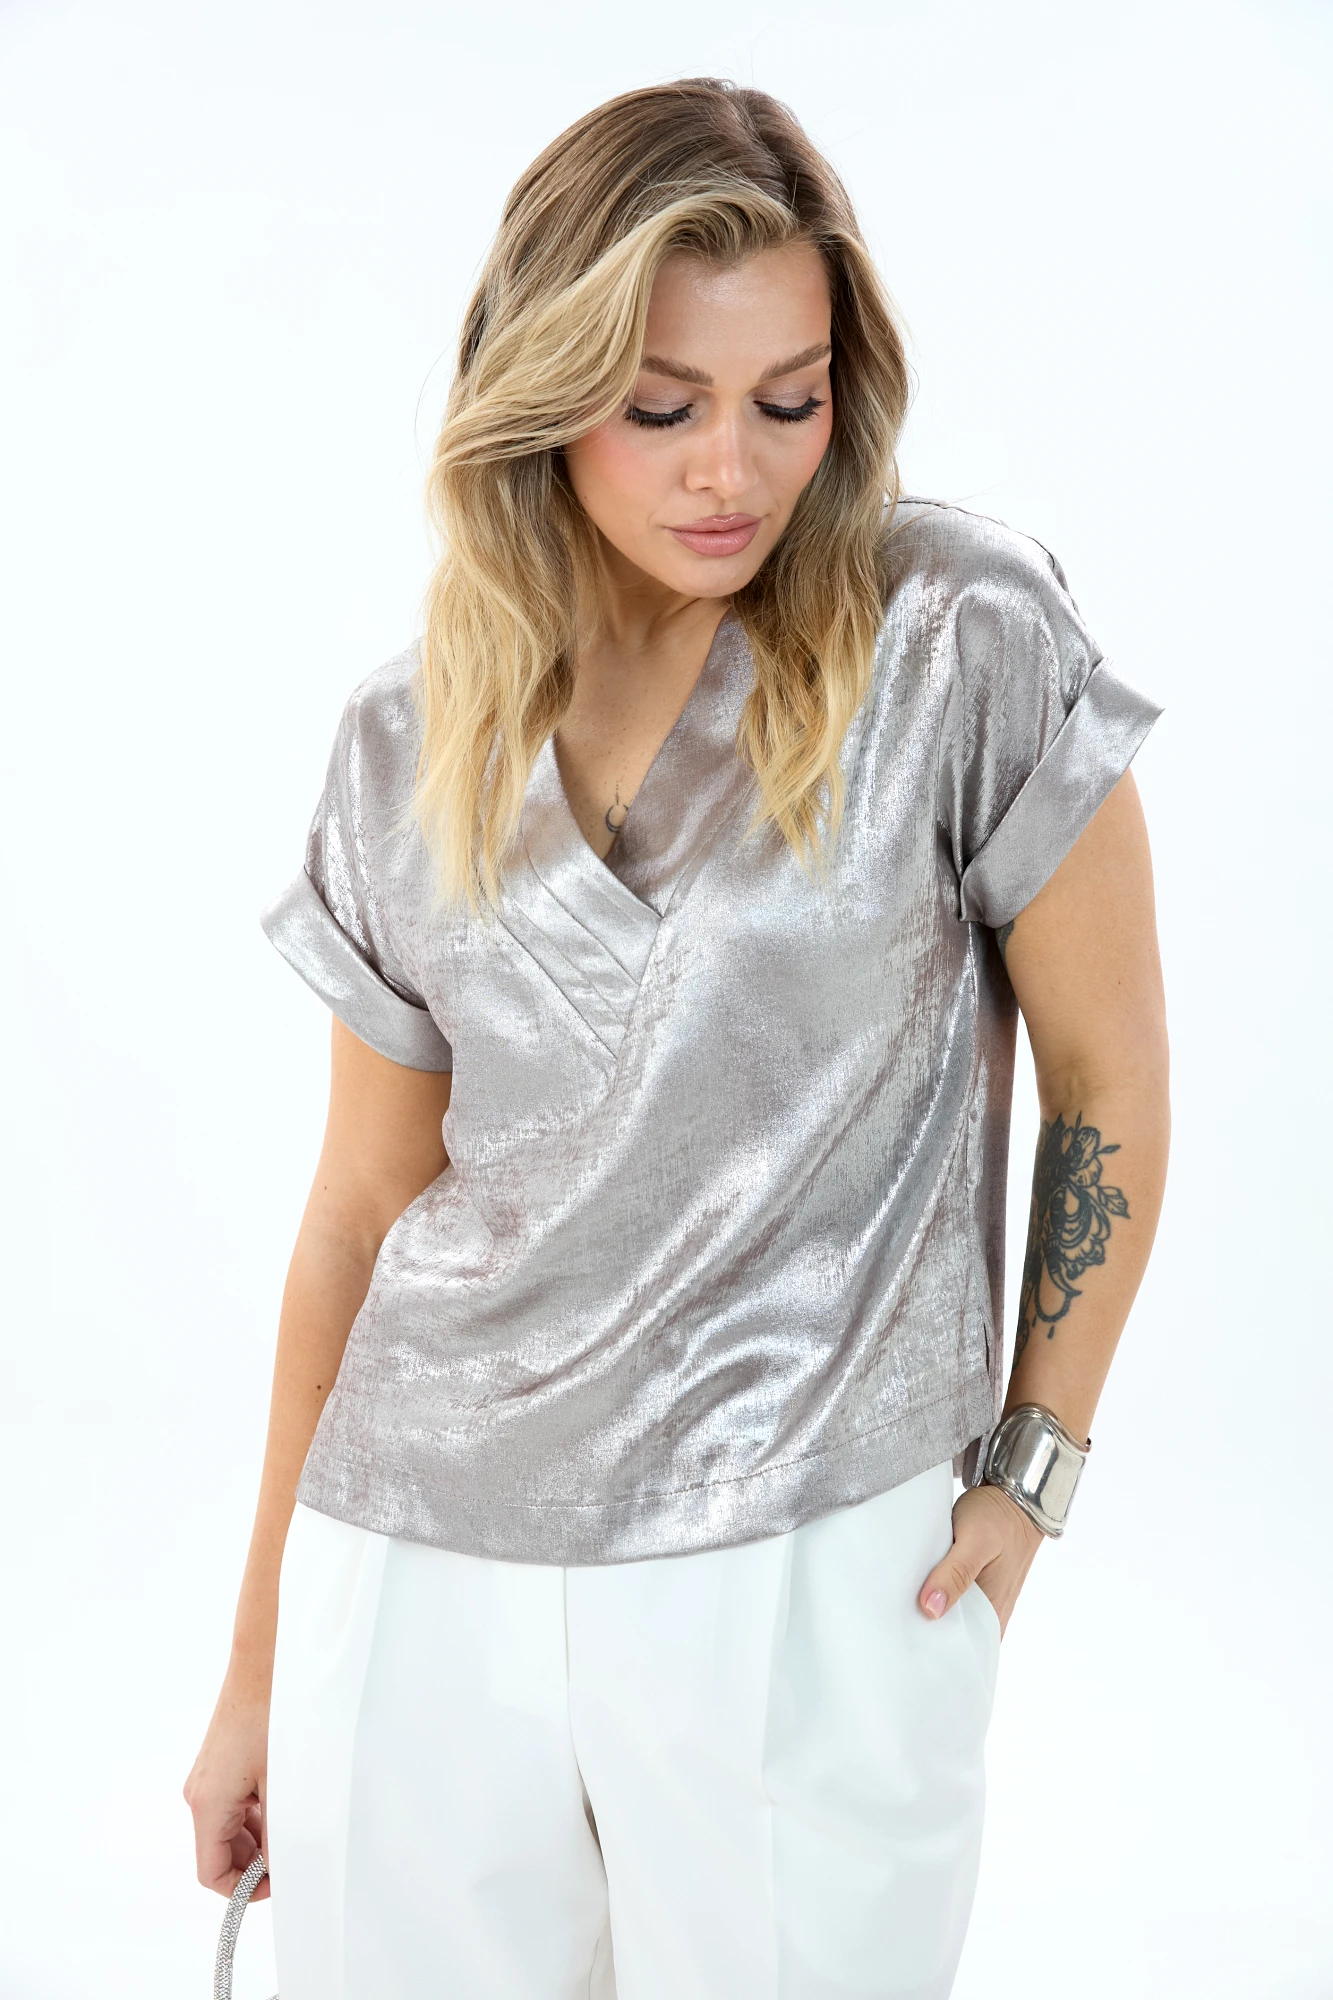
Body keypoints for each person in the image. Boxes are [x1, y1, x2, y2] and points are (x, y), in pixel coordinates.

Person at [184, 77, 1170, 2000]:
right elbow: (360, 1210)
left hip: (809, 1556)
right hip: (416, 1564)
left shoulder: (953, 637)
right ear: (543, 392)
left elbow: (1111, 1082)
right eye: (661, 406)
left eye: (787, 399)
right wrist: (257, 1667)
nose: (734, 468)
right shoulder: (409, 734)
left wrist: (1032, 1473)